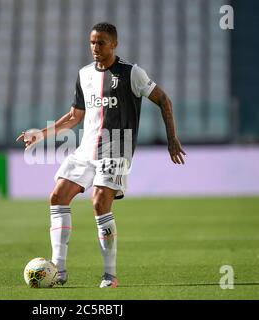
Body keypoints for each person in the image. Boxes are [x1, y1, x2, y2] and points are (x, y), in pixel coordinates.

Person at [17, 22, 186, 288]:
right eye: (92, 42)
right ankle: (58, 270)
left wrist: (172, 138)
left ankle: (110, 274)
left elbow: (164, 99)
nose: (96, 47)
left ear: (114, 44)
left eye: (102, 42)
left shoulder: (132, 73)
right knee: (57, 196)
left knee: (99, 202)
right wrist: (41, 133)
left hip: (117, 148)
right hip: (86, 149)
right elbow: (75, 117)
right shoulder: (84, 74)